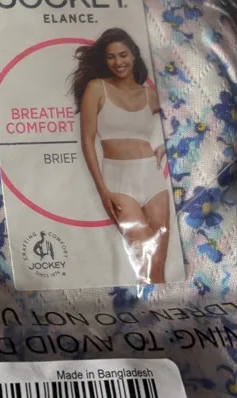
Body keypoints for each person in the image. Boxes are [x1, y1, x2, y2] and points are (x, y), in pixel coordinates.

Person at [70, 28, 169, 283]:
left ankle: (156, 304)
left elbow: (177, 126)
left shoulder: (151, 95)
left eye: (123, 55)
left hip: (153, 180)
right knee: (144, 255)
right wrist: (103, 191)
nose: (118, 62)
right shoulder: (97, 88)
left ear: (134, 56)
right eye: (111, 57)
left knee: (157, 262)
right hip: (117, 180)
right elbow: (87, 140)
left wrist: (165, 146)